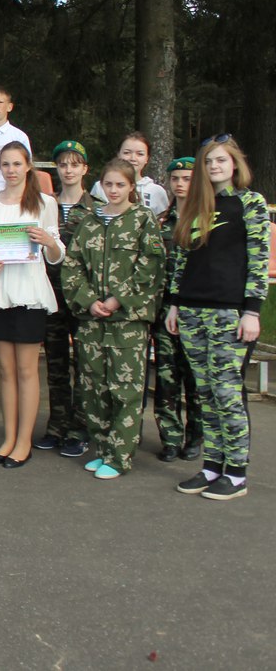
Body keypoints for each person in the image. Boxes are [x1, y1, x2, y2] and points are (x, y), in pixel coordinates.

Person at [167, 135, 269, 501]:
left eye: (221, 160)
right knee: (205, 393)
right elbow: (182, 260)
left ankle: (236, 473)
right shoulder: (196, 205)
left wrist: (252, 311)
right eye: (208, 162)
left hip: (229, 312)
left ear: (235, 164)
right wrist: (174, 304)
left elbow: (258, 259)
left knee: (227, 393)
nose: (214, 167)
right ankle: (213, 466)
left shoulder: (250, 203)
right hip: (192, 311)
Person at [64, 159, 165, 480]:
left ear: (132, 186)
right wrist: (88, 301)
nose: (114, 190)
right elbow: (72, 265)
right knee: (94, 387)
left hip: (127, 320)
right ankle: (103, 449)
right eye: (108, 184)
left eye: (120, 184)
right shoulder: (90, 221)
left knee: (125, 389)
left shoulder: (142, 219)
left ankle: (120, 456)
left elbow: (151, 266)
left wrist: (118, 298)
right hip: (93, 320)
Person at [0, 142, 64, 468]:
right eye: (5, 164)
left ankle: (24, 441)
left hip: (29, 293)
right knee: (6, 371)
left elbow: (57, 255)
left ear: (28, 166)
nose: (11, 170)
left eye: (16, 164)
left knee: (27, 370)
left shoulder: (45, 203)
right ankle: (8, 438)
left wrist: (49, 241)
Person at [38, 140, 99, 458]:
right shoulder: (45, 204)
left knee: (86, 366)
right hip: (52, 294)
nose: (68, 170)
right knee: (56, 365)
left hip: (83, 298)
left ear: (85, 169)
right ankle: (57, 425)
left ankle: (80, 429)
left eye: (75, 164)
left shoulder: (98, 209)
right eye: (63, 164)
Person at [153, 157, 203, 461]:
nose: (180, 184)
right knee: (166, 377)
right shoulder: (161, 221)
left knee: (195, 378)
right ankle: (170, 438)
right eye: (176, 179)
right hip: (163, 310)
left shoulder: (207, 219)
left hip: (195, 311)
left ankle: (195, 436)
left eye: (186, 178)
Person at [90, 131, 170, 217]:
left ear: (147, 158)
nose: (133, 158)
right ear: (118, 154)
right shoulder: (100, 187)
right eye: (127, 153)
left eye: (140, 154)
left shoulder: (157, 191)